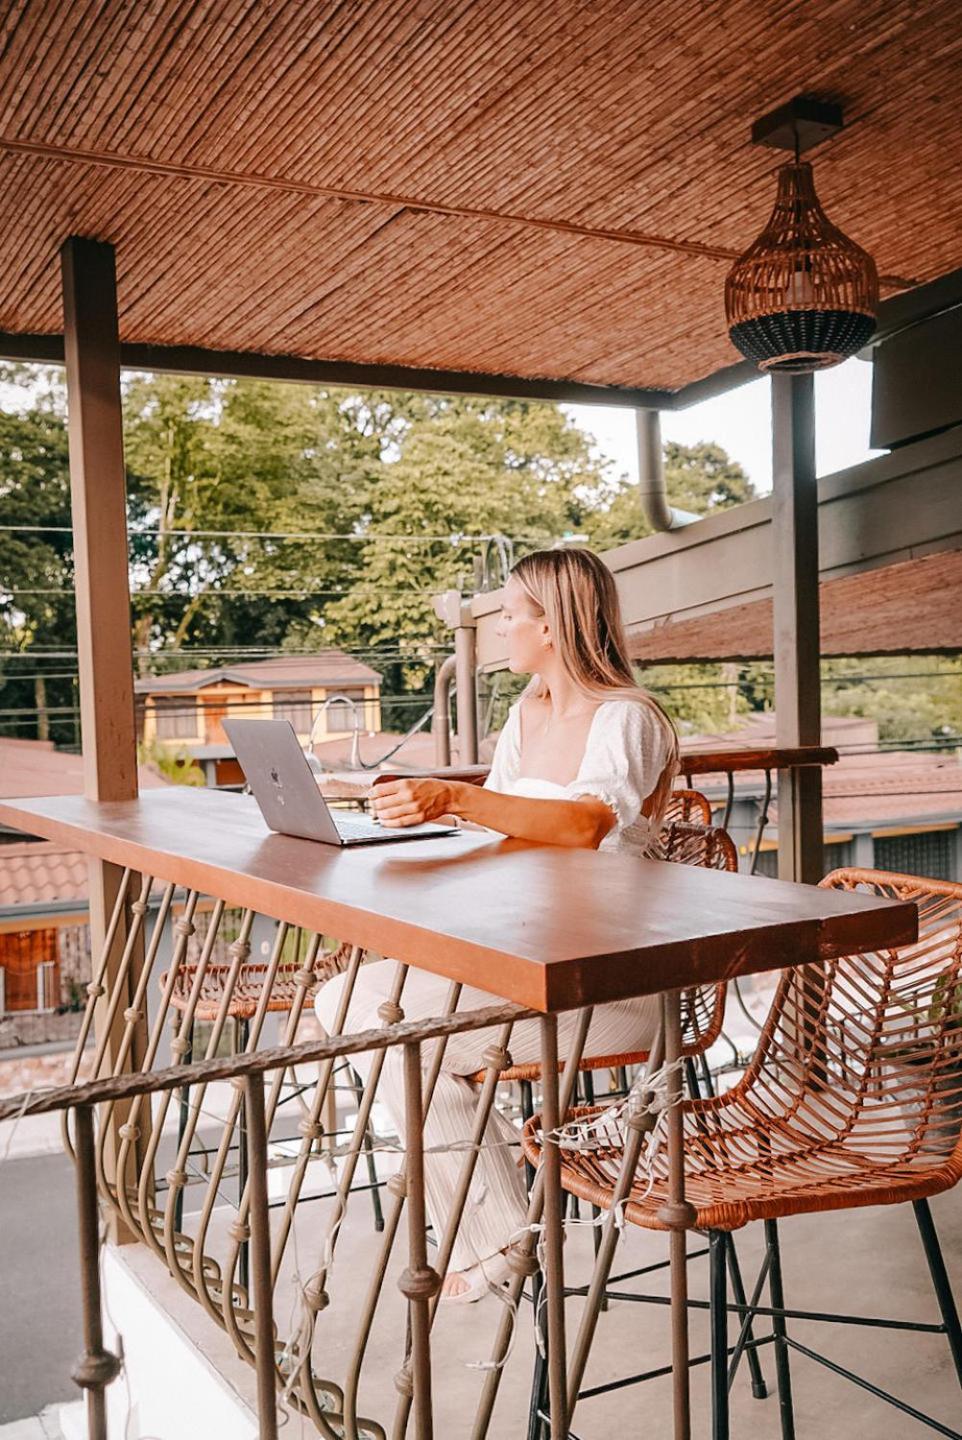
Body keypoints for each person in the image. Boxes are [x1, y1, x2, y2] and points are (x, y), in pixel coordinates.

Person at [315, 548, 678, 1301]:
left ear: (552, 624)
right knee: (342, 1002)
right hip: (523, 954)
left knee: (393, 1036)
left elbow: (583, 825)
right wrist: (411, 828)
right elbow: (506, 835)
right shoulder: (528, 713)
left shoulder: (629, 719)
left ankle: (495, 1239)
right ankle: (503, 1232)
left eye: (510, 613)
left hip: (608, 981)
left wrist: (454, 798)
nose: (500, 628)